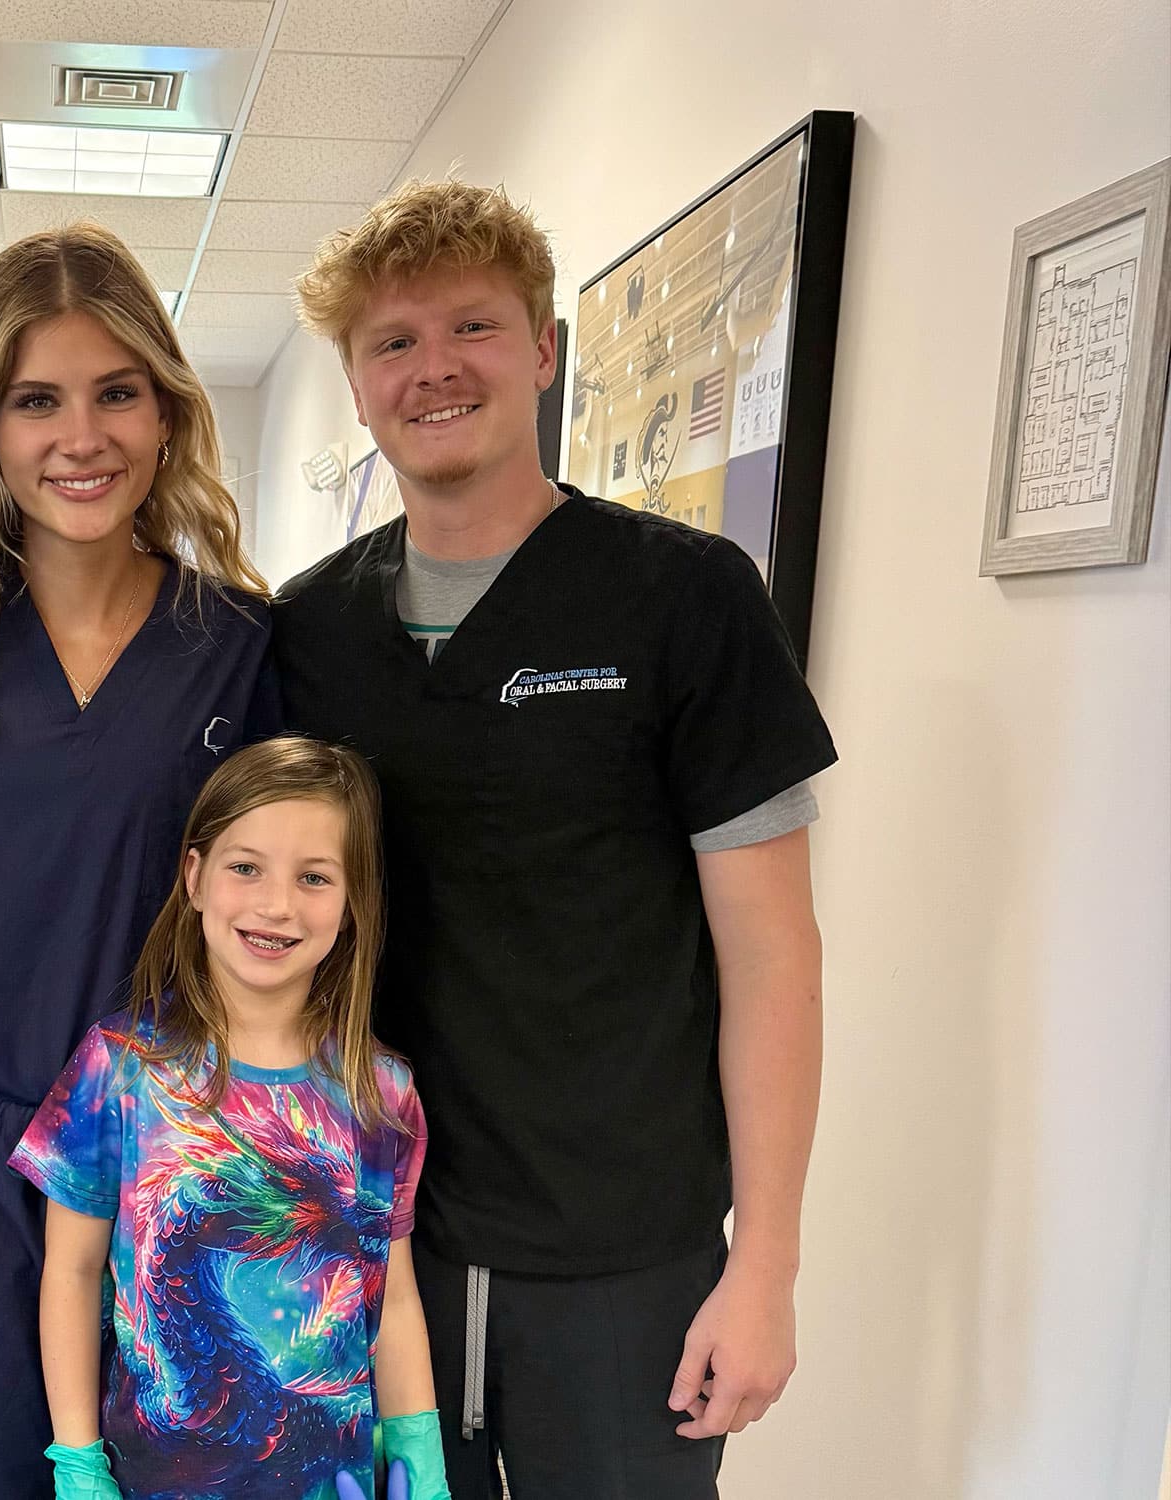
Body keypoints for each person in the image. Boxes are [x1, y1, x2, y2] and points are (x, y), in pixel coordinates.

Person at [272, 179, 835, 1500]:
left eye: (471, 326)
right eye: (392, 343)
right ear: (356, 386)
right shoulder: (310, 631)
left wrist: (767, 1267)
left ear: (542, 350)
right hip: (379, 1246)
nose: (434, 370)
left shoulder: (683, 600)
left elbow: (774, 961)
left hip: (621, 1262)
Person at [0, 221, 277, 1498]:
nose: (79, 438)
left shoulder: (242, 646)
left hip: (172, 1153)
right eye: (36, 400)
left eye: (115, 393)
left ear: (165, 411)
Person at [12, 736, 451, 1500]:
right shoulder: (118, 1069)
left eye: (314, 878)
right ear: (196, 879)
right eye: (245, 867)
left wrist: (420, 1450)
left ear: (352, 908)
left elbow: (396, 1294)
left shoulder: (382, 1095)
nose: (276, 905)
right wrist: (75, 1459)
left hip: (333, 1478)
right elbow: (73, 1272)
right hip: (160, 1480)